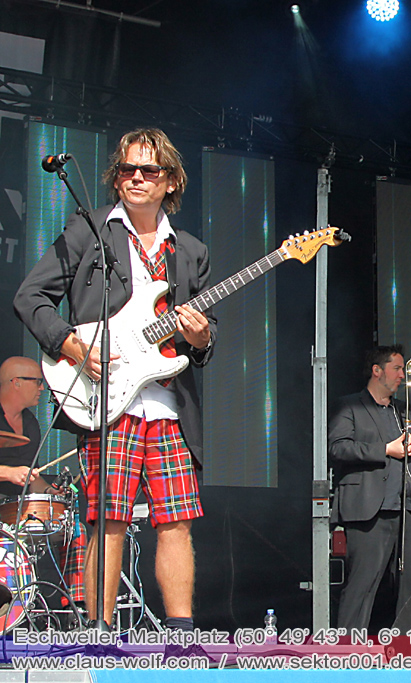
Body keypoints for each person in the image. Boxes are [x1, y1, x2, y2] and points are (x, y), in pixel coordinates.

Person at [14, 128, 215, 630]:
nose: (137, 178)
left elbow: (206, 343)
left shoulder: (189, 250)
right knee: (107, 519)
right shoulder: (90, 231)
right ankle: (98, 633)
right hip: (106, 399)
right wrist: (70, 344)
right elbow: (30, 297)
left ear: (170, 180)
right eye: (128, 170)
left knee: (177, 521)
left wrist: (201, 336)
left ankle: (181, 638)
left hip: (167, 405)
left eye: (149, 170)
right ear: (116, 177)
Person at [327, 345, 411, 629]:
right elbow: (337, 448)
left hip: (409, 508)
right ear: (377, 370)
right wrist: (385, 449)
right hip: (370, 508)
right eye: (397, 369)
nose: (402, 376)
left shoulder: (409, 411)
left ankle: (407, 648)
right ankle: (349, 650)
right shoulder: (349, 406)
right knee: (362, 584)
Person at [0, 356, 86, 607]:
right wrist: (8, 473)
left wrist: (49, 491)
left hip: (17, 509)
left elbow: (32, 476)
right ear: (15, 382)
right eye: (37, 382)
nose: (42, 388)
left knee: (73, 530)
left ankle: (74, 607)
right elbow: (18, 474)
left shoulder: (31, 424)